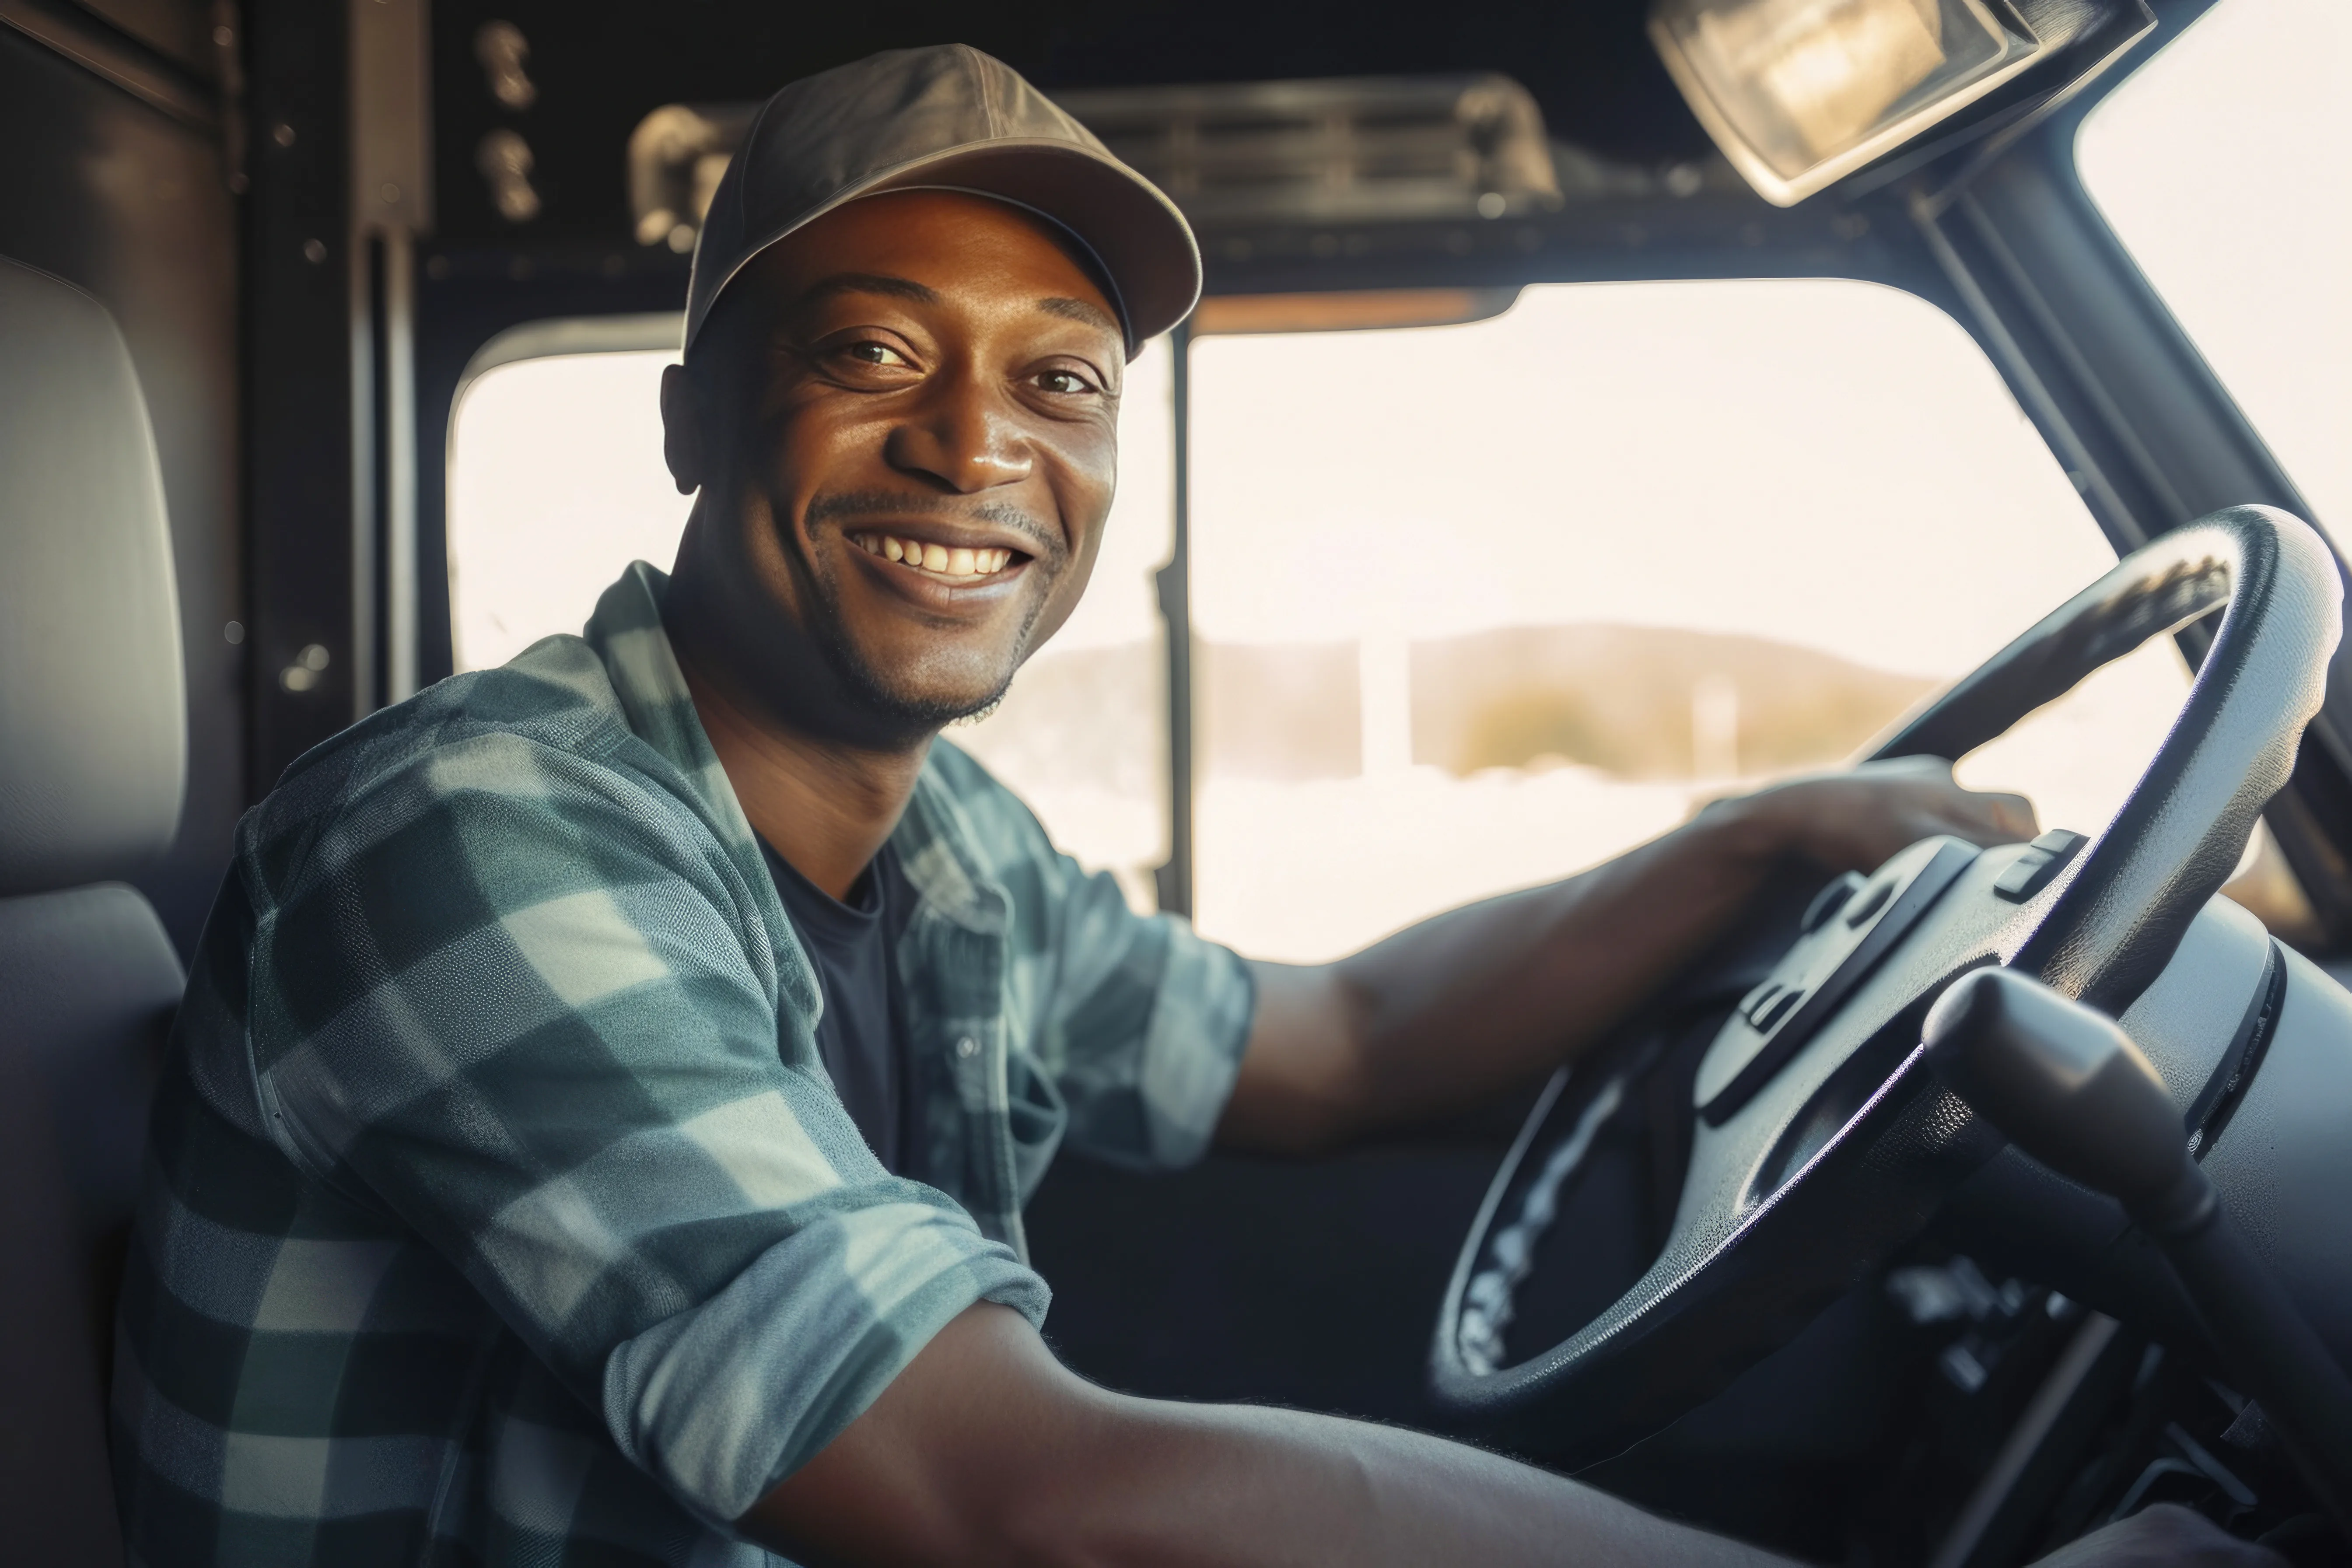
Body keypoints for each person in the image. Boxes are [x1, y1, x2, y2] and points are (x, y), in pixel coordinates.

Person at [113, 43, 2277, 1568]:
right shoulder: (465, 840)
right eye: (872, 351)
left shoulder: (933, 845)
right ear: (694, 417)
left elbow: (1325, 1041)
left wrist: (1759, 837)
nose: (980, 446)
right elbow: (1008, 1495)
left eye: (1059, 378)